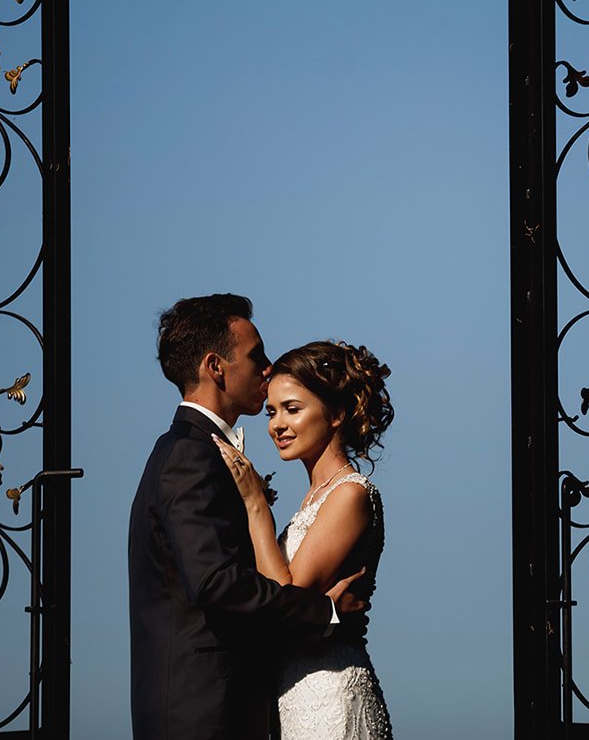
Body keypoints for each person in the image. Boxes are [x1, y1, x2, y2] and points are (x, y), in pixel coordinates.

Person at [128, 294, 368, 740]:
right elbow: (216, 583)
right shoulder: (189, 455)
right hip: (204, 715)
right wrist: (326, 613)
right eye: (256, 355)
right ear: (216, 367)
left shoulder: (192, 451)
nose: (268, 367)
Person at [215, 339, 394, 740]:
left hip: (331, 695)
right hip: (290, 693)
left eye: (292, 409)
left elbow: (286, 596)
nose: (276, 425)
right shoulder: (313, 498)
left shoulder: (350, 494)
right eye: (271, 412)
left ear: (336, 414)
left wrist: (256, 505)